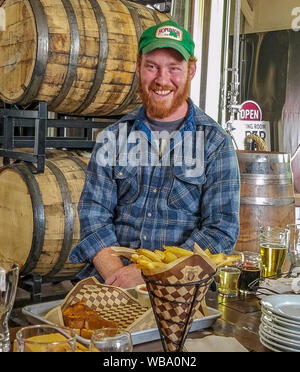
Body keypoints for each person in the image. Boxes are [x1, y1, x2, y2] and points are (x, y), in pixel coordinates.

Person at [69, 20, 240, 288]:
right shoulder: (113, 138)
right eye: (152, 67)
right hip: (110, 281)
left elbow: (220, 230)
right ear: (138, 67)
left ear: (191, 70)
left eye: (174, 68)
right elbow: (93, 214)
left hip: (182, 289)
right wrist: (119, 278)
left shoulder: (216, 144)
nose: (162, 79)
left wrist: (151, 275)